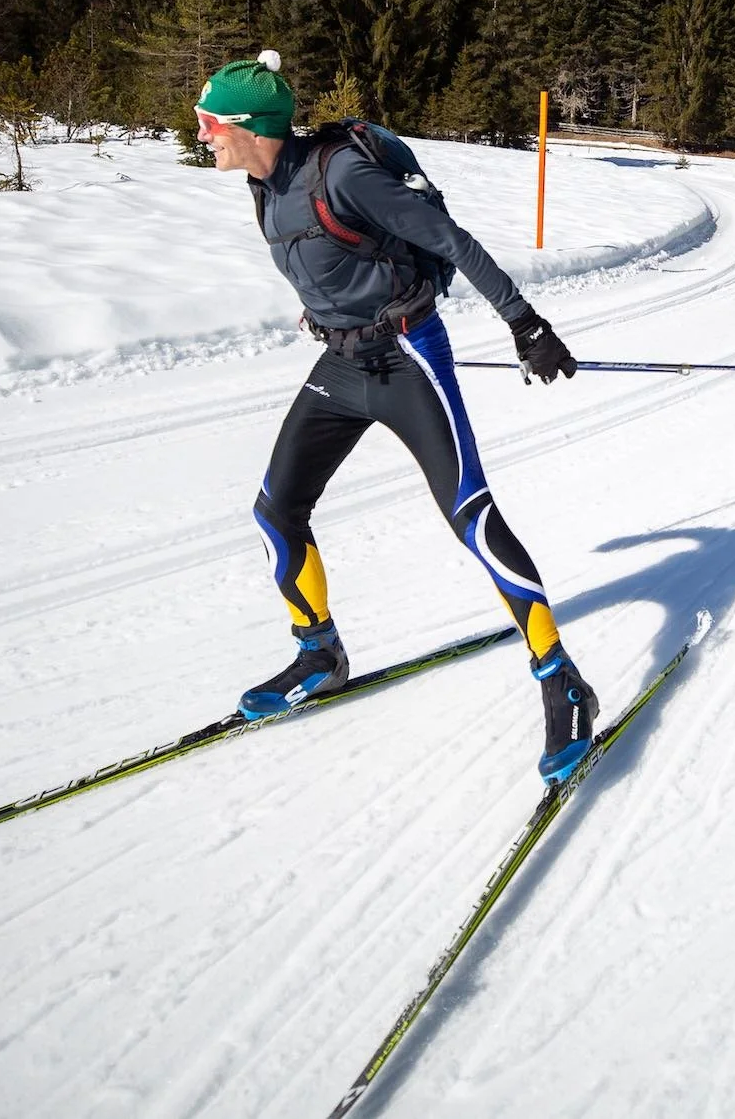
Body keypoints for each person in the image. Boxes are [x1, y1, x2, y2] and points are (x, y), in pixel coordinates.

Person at [195, 52, 600, 784]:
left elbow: (453, 241)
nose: (202, 135)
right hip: (344, 365)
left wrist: (526, 324)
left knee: (471, 515)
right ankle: (320, 652)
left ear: (250, 126)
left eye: (210, 122)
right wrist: (326, 304)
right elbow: (329, 258)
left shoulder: (341, 174)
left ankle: (561, 678)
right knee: (275, 509)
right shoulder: (264, 184)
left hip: (408, 356)